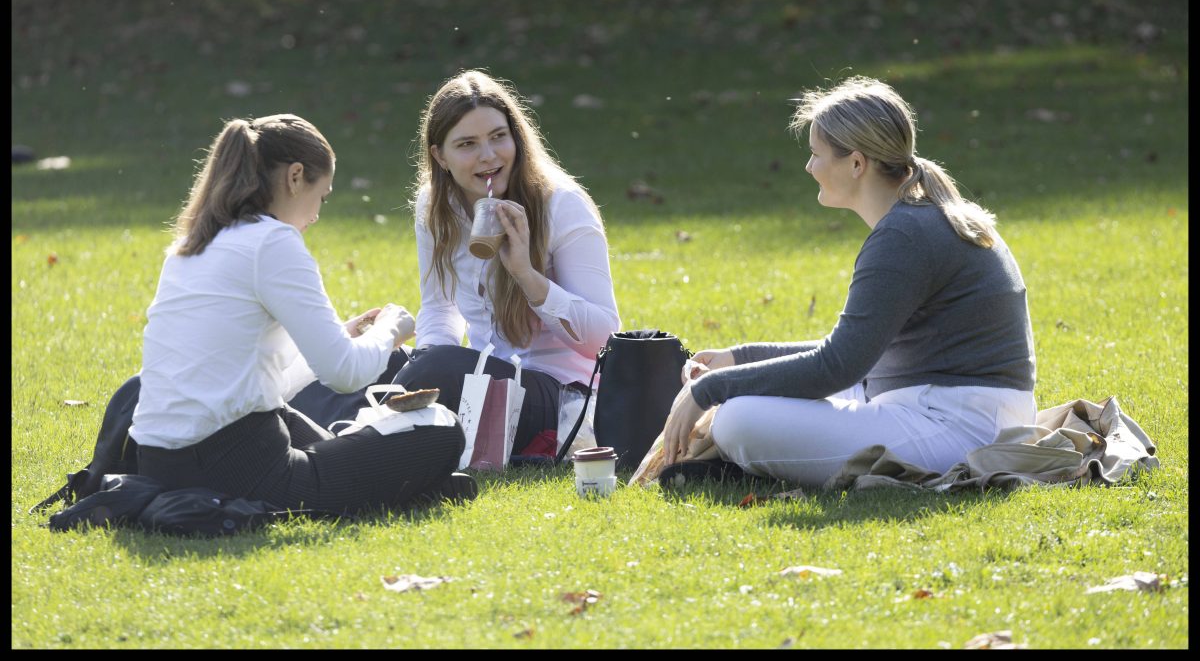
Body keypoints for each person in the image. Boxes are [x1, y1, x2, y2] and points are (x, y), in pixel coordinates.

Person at [662, 76, 1037, 487]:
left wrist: (709, 390)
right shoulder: (920, 218)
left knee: (736, 418)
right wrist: (738, 358)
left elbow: (837, 366)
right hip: (944, 407)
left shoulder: (905, 234)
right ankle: (736, 462)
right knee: (745, 398)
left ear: (857, 164)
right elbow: (856, 350)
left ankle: (736, 462)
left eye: (816, 154)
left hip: (959, 426)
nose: (808, 167)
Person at [128, 113, 473, 514]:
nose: (316, 215)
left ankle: (400, 481)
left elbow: (259, 382)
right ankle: (402, 481)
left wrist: (344, 336)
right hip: (237, 468)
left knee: (313, 428)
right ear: (295, 177)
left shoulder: (195, 243)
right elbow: (345, 375)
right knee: (443, 431)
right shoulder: (273, 242)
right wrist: (391, 329)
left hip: (157, 463)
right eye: (321, 196)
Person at [391, 69, 621, 457]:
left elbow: (605, 341)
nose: (489, 156)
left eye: (499, 137)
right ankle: (382, 425)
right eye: (467, 144)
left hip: (565, 397)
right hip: (486, 376)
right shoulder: (435, 205)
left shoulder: (561, 205)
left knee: (437, 369)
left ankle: (372, 433)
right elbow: (438, 306)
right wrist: (427, 366)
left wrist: (526, 275)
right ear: (439, 156)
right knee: (388, 361)